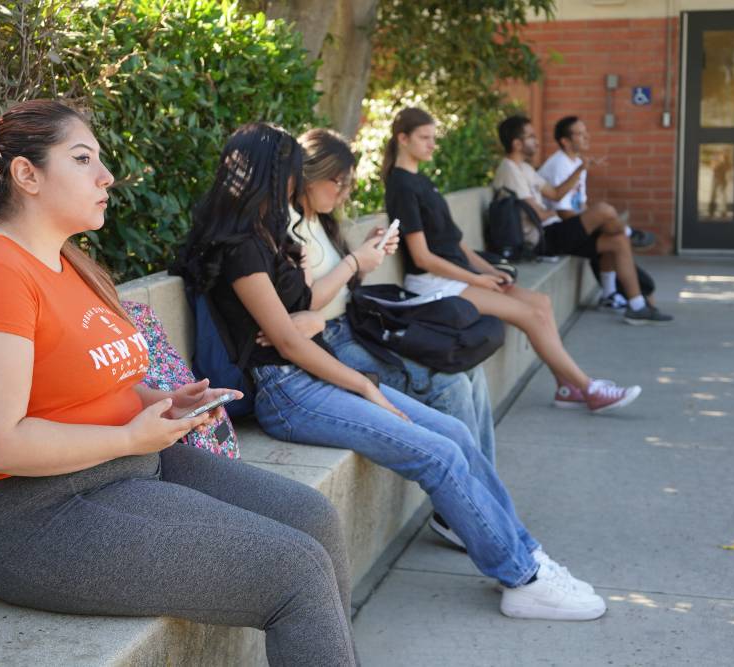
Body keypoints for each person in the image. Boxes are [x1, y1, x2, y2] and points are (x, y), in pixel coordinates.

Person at [0, 99, 357, 666]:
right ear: (27, 174)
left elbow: (90, 387)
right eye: (82, 159)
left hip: (124, 466)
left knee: (314, 518)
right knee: (293, 571)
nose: (105, 176)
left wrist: (163, 402)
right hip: (29, 513)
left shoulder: (70, 262)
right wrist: (131, 438)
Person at [174, 122, 607, 622]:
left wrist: (310, 309)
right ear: (270, 175)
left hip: (313, 373)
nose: (294, 186)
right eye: (290, 175)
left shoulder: (267, 236)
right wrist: (362, 383)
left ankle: (526, 554)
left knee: (455, 434)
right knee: (438, 454)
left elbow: (303, 316)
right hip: (289, 392)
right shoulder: (239, 248)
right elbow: (288, 342)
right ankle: (521, 578)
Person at [288, 127, 497, 548]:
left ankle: (482, 500)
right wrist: (352, 262)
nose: (342, 192)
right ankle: (460, 512)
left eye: (346, 183)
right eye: (338, 181)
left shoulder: (321, 219)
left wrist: (366, 256)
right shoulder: (289, 225)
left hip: (357, 327)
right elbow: (307, 301)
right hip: (333, 343)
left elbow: (341, 285)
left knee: (471, 373)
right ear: (311, 174)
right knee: (450, 384)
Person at [384, 107, 641, 413]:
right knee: (529, 315)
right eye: (424, 138)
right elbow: (422, 258)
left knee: (541, 303)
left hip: (458, 275)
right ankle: (589, 389)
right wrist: (477, 280)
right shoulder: (400, 186)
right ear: (402, 138)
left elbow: (456, 243)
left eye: (433, 137)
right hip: (433, 284)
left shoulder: (422, 180)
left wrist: (489, 270)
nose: (431, 144)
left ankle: (565, 387)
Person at [493, 114, 673, 325]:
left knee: (616, 242)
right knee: (604, 211)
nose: (537, 141)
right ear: (517, 143)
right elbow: (540, 214)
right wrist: (565, 215)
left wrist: (580, 169)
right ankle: (630, 233)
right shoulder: (509, 171)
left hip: (552, 232)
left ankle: (636, 306)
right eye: (531, 137)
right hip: (540, 240)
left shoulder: (524, 168)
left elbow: (556, 193)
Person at [537, 115, 664, 312]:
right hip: (552, 233)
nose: (587, 137)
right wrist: (593, 223)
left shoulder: (578, 163)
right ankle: (631, 233)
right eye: (580, 134)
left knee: (617, 238)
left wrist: (593, 224)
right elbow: (563, 212)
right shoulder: (559, 164)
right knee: (604, 211)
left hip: (571, 228)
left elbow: (582, 205)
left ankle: (625, 301)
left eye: (586, 132)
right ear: (565, 141)